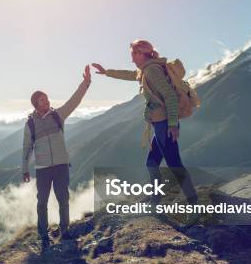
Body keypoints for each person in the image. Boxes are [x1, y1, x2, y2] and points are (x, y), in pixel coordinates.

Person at [92, 40, 199, 223]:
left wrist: (172, 124)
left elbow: (170, 96)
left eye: (133, 54)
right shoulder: (146, 70)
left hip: (165, 125)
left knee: (174, 164)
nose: (131, 58)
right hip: (160, 125)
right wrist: (106, 72)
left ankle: (193, 206)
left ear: (141, 53)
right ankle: (156, 203)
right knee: (152, 163)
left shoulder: (152, 71)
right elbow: (130, 74)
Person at [22, 65, 91, 249]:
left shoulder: (58, 115)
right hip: (43, 169)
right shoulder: (30, 124)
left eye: (46, 98)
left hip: (61, 165)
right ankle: (43, 236)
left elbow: (74, 101)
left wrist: (86, 82)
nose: (47, 101)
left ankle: (64, 230)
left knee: (63, 199)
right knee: (42, 202)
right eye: (42, 100)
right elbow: (27, 148)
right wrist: (24, 169)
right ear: (36, 104)